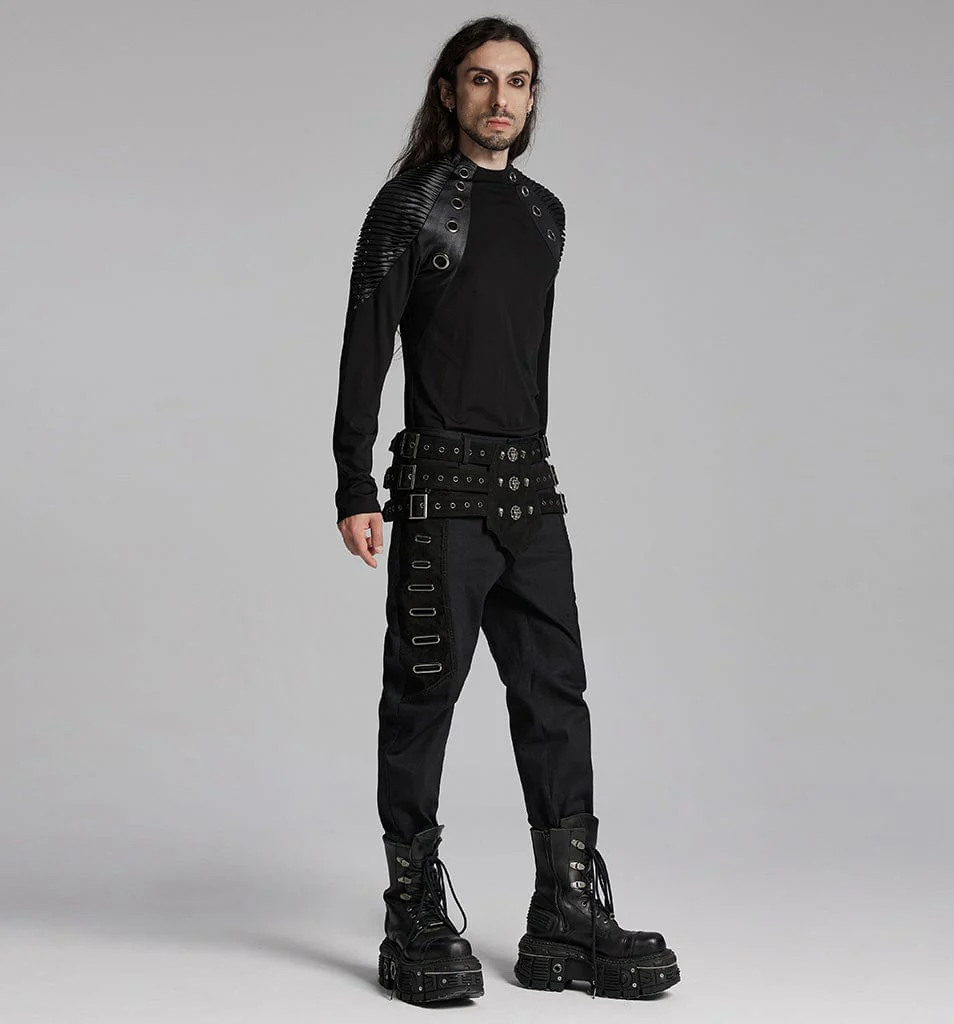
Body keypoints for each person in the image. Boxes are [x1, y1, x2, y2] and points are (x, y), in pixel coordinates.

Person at [331, 16, 680, 1005]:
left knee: (556, 698)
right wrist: (355, 485)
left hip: (530, 494)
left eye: (518, 82)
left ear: (532, 98)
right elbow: (366, 346)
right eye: (481, 80)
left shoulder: (543, 213)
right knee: (422, 699)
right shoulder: (410, 206)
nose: (500, 98)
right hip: (440, 496)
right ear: (449, 93)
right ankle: (413, 913)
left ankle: (563, 911)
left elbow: (525, 358)